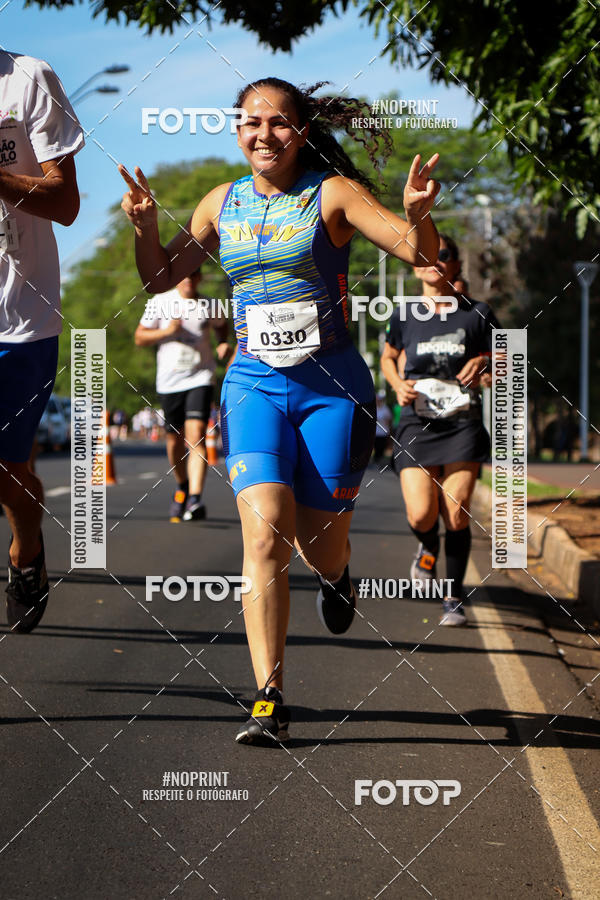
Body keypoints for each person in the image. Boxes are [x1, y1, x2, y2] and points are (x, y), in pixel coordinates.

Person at [120, 76, 440, 743]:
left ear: (301, 130)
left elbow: (418, 254)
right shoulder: (221, 201)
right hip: (252, 385)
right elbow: (158, 281)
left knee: (321, 548)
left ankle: (340, 575)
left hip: (331, 390)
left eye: (279, 123)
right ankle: (268, 697)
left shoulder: (332, 194)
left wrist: (418, 212)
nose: (263, 133)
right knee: (265, 533)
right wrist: (146, 230)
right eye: (250, 122)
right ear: (237, 129)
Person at [0, 50, 83, 633]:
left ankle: (26, 549)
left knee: (7, 466)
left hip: (18, 317)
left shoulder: (28, 78)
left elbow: (65, 202)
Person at [381, 235, 500, 626]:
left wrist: (484, 362)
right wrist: (398, 384)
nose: (433, 262)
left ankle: (453, 596)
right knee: (420, 515)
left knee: (458, 513)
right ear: (414, 265)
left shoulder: (477, 312)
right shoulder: (404, 313)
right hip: (417, 423)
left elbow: (507, 362)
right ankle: (427, 548)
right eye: (425, 256)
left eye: (442, 255)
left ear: (454, 265)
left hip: (462, 424)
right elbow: (389, 357)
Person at [135, 269, 231, 521]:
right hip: (169, 382)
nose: (188, 278)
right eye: (183, 274)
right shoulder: (160, 302)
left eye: (194, 274)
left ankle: (195, 500)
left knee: (196, 435)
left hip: (200, 377)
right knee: (174, 442)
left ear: (200, 277)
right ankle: (183, 485)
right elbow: (140, 337)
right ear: (176, 278)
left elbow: (222, 327)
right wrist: (166, 333)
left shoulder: (210, 304)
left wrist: (223, 342)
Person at [374, 391, 392, 461]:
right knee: (376, 447)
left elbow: (389, 420)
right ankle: (376, 460)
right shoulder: (374, 408)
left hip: (383, 432)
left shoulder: (385, 408)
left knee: (382, 446)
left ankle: (380, 460)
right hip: (375, 432)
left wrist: (389, 431)